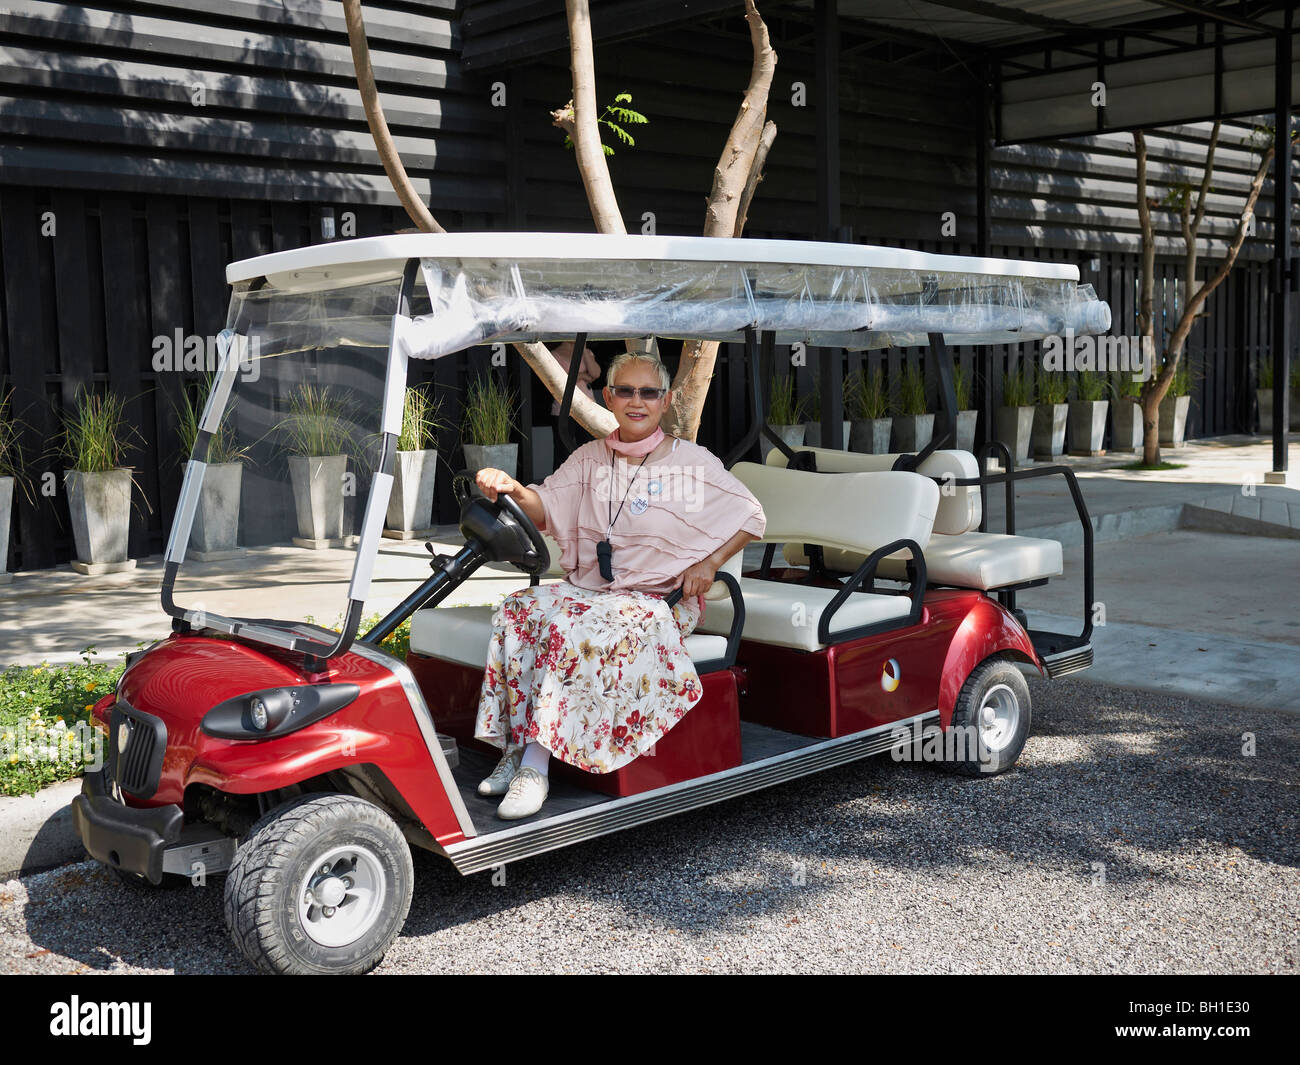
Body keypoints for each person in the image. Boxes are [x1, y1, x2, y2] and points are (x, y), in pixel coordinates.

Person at [471, 351, 766, 819]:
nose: (636, 401)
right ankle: (518, 742)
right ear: (608, 396)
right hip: (595, 591)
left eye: (648, 392)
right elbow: (544, 505)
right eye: (625, 391)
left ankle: (535, 766)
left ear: (665, 401)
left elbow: (752, 515)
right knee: (517, 609)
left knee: (573, 627)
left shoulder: (692, 462)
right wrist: (510, 487)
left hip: (661, 599)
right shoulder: (590, 458)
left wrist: (711, 563)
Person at [547, 339, 602, 465]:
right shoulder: (555, 354)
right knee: (564, 452)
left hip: (587, 408)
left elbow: (596, 373)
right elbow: (561, 381)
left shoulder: (586, 352)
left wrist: (583, 350)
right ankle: (561, 483)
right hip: (565, 409)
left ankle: (587, 481)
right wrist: (583, 376)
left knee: (589, 448)